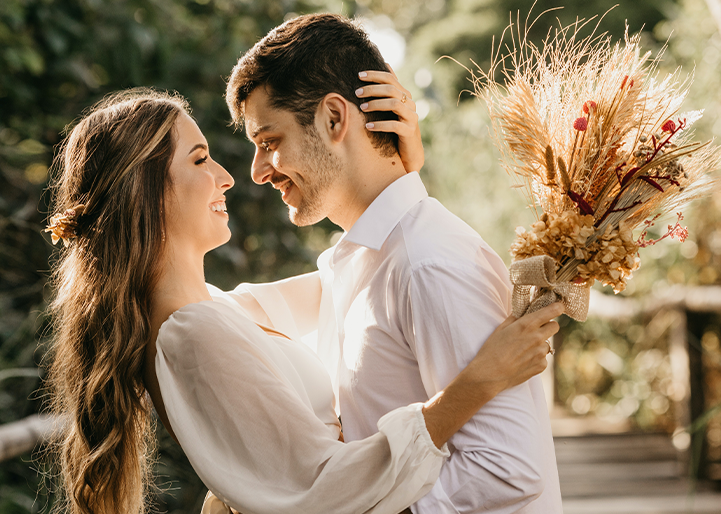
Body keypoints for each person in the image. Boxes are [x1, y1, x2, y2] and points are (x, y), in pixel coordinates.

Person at [44, 87, 563, 514]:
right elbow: (322, 488)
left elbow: (349, 277)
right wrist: (474, 386)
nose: (229, 176)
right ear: (145, 189)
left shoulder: (217, 312)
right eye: (200, 158)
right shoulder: (191, 334)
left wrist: (394, 178)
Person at [221, 13, 563, 514]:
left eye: (269, 142)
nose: (257, 172)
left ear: (334, 119)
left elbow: (506, 468)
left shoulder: (429, 263)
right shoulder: (357, 261)